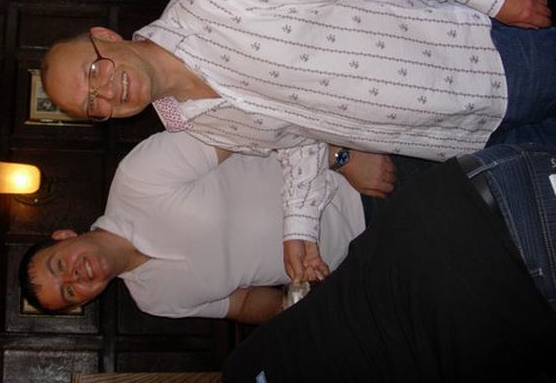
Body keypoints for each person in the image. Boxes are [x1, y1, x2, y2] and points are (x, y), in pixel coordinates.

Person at [40, 0, 555, 282]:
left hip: (490, 61)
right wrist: (300, 227)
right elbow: (300, 137)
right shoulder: (199, 124)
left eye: (93, 71)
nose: (105, 93)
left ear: (106, 36)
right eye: (92, 105)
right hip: (455, 140)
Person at [222, 142, 556, 382]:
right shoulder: (239, 367)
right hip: (463, 198)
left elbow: (268, 117)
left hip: (494, 268)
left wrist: (339, 158)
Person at [20, 132, 386, 323]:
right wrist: (301, 312)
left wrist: (340, 156)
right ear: (84, 300)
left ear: (64, 237)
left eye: (59, 265)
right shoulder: (154, 301)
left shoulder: (136, 178)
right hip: (360, 267)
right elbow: (243, 303)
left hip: (361, 184)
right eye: (69, 292)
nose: (75, 277)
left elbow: (246, 125)